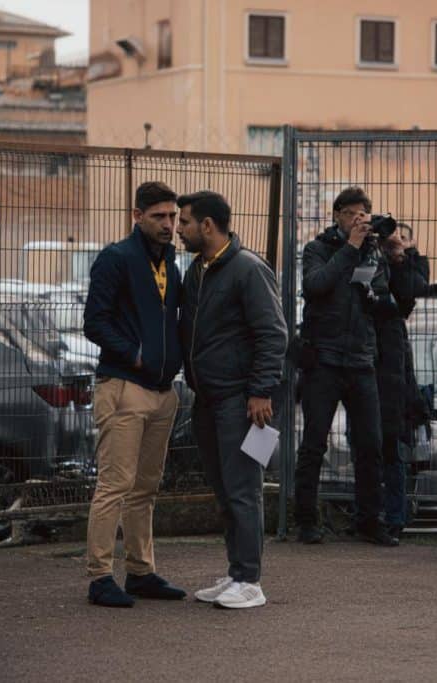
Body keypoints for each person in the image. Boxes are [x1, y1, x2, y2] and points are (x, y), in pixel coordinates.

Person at [177, 190, 286, 609]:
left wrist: (260, 391)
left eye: (185, 222)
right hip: (207, 397)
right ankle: (236, 571)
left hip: (242, 401)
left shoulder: (247, 269)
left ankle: (250, 581)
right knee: (224, 489)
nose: (179, 230)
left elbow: (273, 333)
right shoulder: (198, 270)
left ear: (207, 225)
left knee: (243, 489)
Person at [82, 181, 187, 608]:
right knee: (115, 486)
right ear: (136, 216)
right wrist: (137, 355)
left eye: (173, 216)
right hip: (124, 387)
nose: (168, 224)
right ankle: (99, 576)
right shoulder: (116, 259)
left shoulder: (172, 264)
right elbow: (95, 322)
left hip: (163, 391)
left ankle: (140, 571)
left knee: (146, 487)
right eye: (158, 216)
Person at [294, 187, 397, 546]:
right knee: (314, 443)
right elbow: (315, 285)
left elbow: (384, 300)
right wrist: (350, 248)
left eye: (363, 215)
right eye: (351, 214)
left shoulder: (374, 252)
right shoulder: (317, 249)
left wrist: (378, 284)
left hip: (360, 359)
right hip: (323, 359)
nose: (358, 220)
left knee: (370, 444)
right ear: (337, 215)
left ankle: (371, 520)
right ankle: (306, 520)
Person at [374, 225, 437, 540]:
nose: (394, 239)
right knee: (365, 444)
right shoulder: (366, 254)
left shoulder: (410, 263)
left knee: (392, 446)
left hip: (392, 366)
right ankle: (369, 514)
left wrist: (401, 257)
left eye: (402, 236)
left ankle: (395, 518)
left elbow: (408, 297)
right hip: (362, 358)